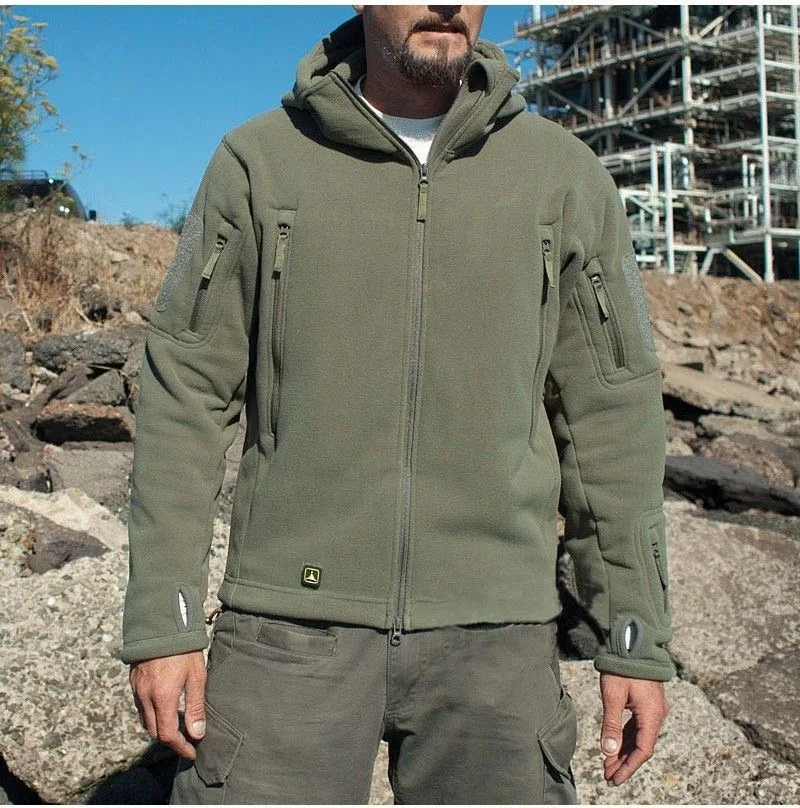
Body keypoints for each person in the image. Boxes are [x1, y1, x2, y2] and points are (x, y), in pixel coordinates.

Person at [123, 5, 673, 804]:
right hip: (285, 630)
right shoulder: (259, 162)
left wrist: (632, 633)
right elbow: (186, 390)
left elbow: (612, 414)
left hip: (497, 639)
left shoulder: (562, 176)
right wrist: (164, 620)